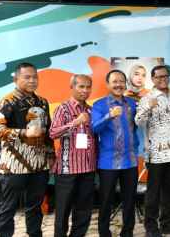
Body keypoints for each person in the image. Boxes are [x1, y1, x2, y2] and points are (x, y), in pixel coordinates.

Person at [0, 62, 55, 237]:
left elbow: (48, 130)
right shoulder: (5, 102)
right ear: (16, 79)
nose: (32, 80)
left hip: (39, 165)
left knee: (35, 206)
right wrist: (23, 132)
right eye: (27, 77)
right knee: (8, 206)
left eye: (35, 76)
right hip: (14, 165)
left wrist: (51, 155)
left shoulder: (42, 102)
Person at [136, 66, 170, 237]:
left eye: (165, 76)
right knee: (153, 192)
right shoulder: (147, 99)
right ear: (152, 79)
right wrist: (148, 108)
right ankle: (151, 227)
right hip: (156, 155)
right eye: (159, 77)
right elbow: (139, 122)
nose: (163, 79)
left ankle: (167, 224)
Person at [92, 70, 141, 237]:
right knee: (106, 200)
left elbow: (133, 128)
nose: (118, 84)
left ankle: (127, 232)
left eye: (121, 81)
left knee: (129, 199)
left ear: (125, 84)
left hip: (130, 160)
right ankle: (104, 233)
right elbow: (95, 128)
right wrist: (109, 116)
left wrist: (136, 147)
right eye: (114, 81)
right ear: (107, 84)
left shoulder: (131, 103)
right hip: (109, 161)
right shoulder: (99, 105)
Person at [49, 74, 99, 237]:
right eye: (81, 87)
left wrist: (96, 162)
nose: (85, 90)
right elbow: (53, 133)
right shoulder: (62, 109)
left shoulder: (91, 111)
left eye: (88, 87)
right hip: (67, 168)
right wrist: (74, 123)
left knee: (84, 208)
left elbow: (94, 138)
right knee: (63, 209)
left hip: (88, 167)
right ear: (72, 88)